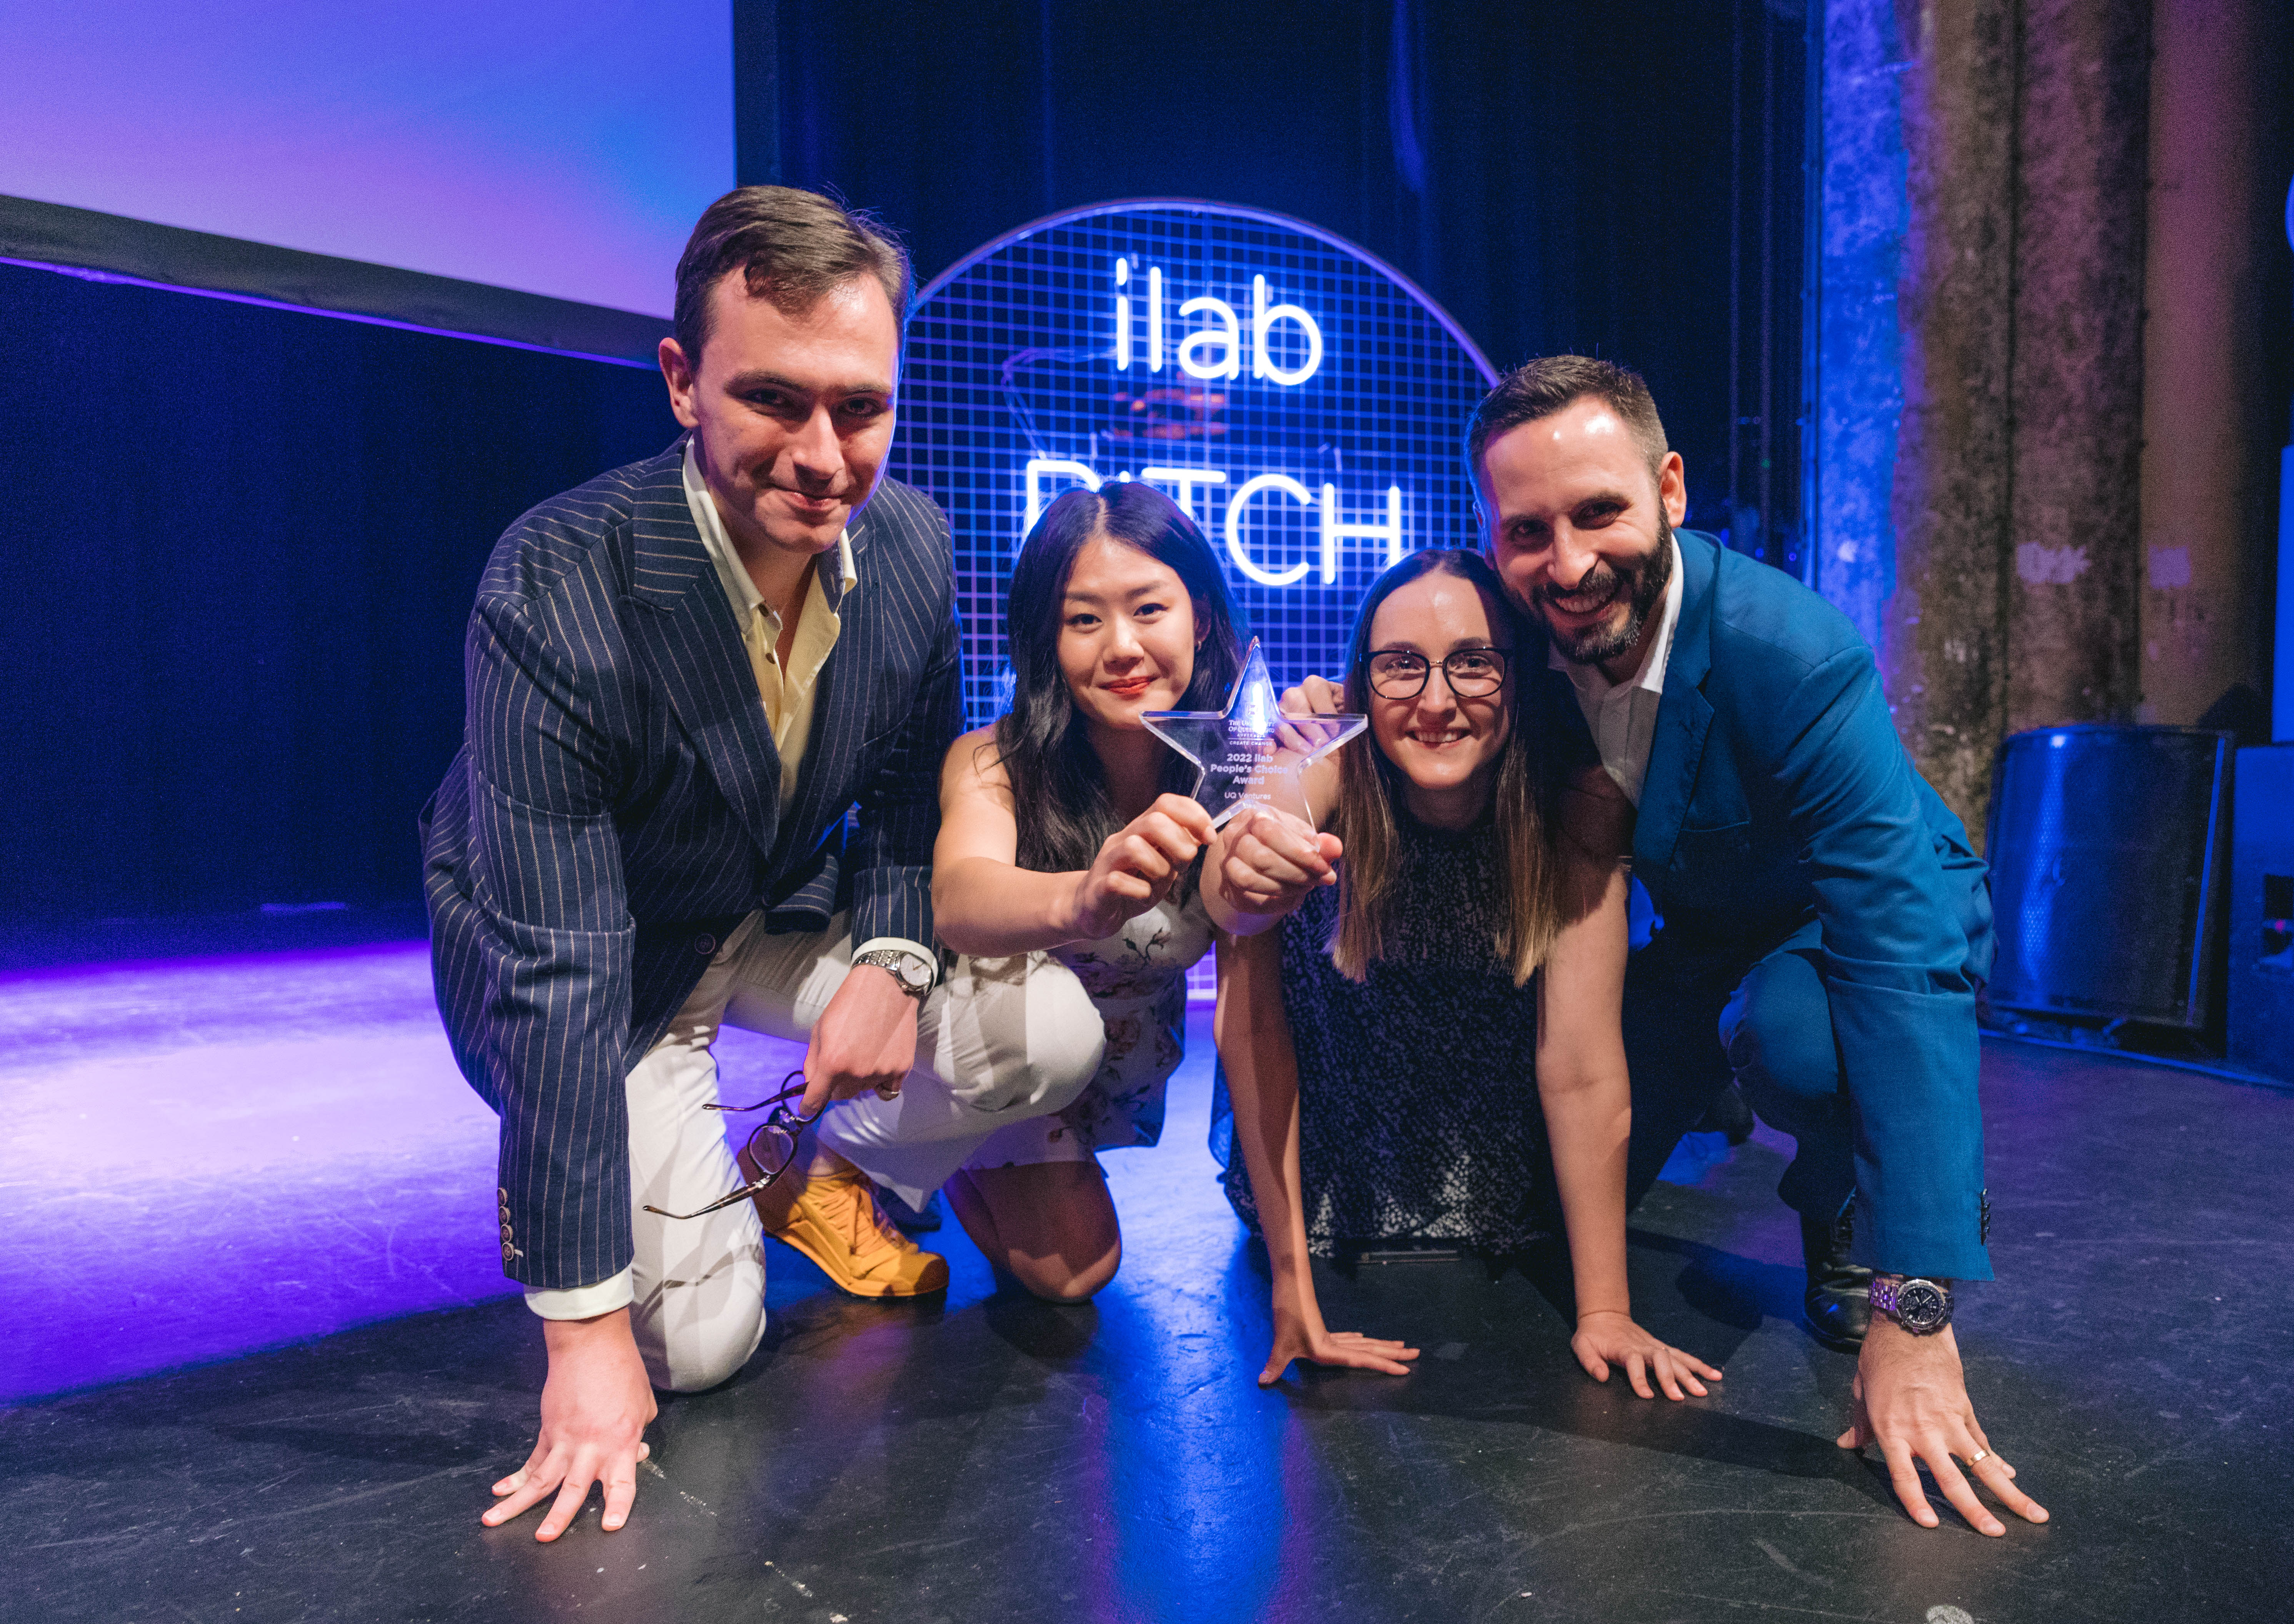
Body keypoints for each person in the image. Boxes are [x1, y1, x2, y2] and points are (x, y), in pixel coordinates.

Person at [421, 187, 1096, 1544]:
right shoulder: (556, 585)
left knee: (1045, 1033)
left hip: (772, 909)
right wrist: (585, 1334)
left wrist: (898, 963)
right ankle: (574, 1180)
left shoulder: (908, 541)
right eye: (775, 401)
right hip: (600, 959)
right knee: (702, 1349)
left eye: (860, 407)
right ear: (683, 382)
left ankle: (807, 1171)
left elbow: (909, 789)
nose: (824, 454)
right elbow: (557, 966)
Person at [1464, 354, 2047, 1537]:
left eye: (1598, 512)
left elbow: (1898, 952)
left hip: (1860, 914)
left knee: (1803, 1044)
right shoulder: (1521, 636)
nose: (1567, 563)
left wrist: (1915, 1303)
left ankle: (1839, 1206)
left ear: (1669, 488)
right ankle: (1717, 1080)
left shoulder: (1789, 645)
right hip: (1711, 919)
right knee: (1540, 1199)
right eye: (1527, 530)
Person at [1205, 549, 1722, 1402]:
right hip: (1330, 1188)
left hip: (1508, 1200)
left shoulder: (1572, 803)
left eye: (1473, 662)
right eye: (1400, 664)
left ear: (1521, 677)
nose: (1436, 699)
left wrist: (1605, 1310)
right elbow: (1243, 913)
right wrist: (1291, 1293)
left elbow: (1583, 1062)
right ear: (1360, 681)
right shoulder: (1321, 756)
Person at [845, 481, 1239, 1300]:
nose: (1122, 647)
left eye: (1149, 609)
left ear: (1199, 616)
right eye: (1083, 619)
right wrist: (1081, 897)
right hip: (1012, 1052)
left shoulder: (1236, 766)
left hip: (1121, 1059)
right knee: (1076, 1271)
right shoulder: (993, 760)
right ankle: (866, 1150)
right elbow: (960, 894)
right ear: (1044, 638)